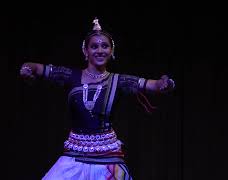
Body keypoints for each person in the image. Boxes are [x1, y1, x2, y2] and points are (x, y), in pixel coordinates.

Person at [20, 17, 175, 180]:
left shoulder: (118, 80)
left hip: (107, 156)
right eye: (94, 46)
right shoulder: (71, 76)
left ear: (111, 51)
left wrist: (165, 83)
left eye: (105, 46)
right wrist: (26, 69)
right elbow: (35, 67)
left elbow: (152, 85)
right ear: (85, 51)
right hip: (75, 154)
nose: (100, 50)